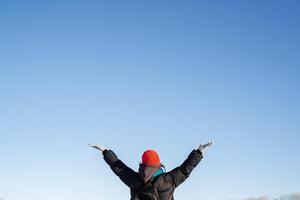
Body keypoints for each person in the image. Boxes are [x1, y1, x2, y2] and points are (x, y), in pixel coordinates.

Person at [89, 141, 212, 200]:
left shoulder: (134, 180)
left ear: (142, 164)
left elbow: (119, 168)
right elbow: (185, 170)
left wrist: (105, 151)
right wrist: (199, 151)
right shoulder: (169, 180)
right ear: (158, 164)